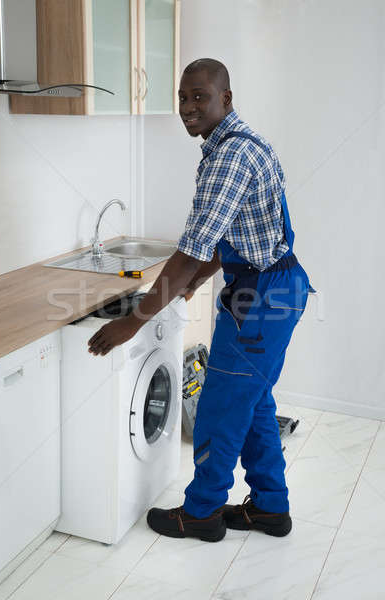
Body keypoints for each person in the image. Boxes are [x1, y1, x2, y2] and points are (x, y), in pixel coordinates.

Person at [88, 58, 312, 543]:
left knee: (220, 408)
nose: (188, 107)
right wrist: (203, 274)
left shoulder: (229, 156)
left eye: (199, 97)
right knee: (252, 404)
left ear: (225, 99)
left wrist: (133, 321)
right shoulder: (240, 143)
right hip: (279, 286)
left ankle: (202, 513)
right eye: (183, 97)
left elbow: (192, 249)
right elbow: (240, 231)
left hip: (260, 299)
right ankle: (271, 509)